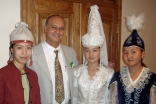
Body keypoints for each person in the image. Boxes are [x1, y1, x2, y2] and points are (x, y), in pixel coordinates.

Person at [28, 15, 79, 104]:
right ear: (45, 29)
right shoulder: (32, 53)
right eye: (54, 27)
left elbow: (78, 72)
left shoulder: (71, 53)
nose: (58, 32)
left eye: (61, 28)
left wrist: (100, 68)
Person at [109, 13, 156, 104]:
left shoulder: (152, 79)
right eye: (125, 52)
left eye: (133, 52)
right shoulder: (117, 77)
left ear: (143, 54)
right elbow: (113, 101)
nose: (129, 56)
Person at [72, 5, 114, 104]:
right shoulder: (77, 71)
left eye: (94, 50)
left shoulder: (108, 73)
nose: (90, 54)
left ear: (100, 51)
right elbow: (74, 98)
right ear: (84, 52)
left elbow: (109, 99)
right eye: (87, 50)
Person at [0, 22, 41, 104]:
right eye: (19, 48)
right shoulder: (2, 75)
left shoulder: (33, 75)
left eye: (28, 48)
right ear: (12, 50)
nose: (24, 52)